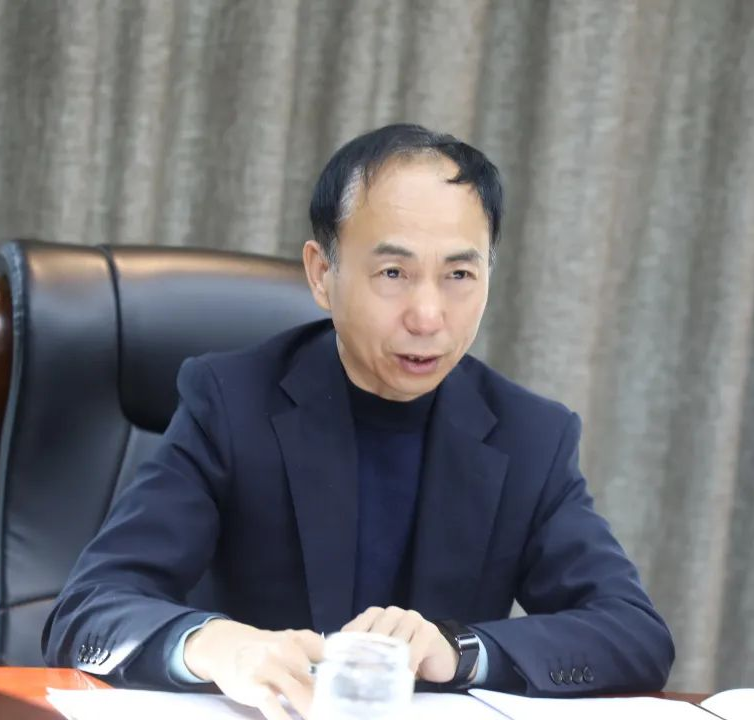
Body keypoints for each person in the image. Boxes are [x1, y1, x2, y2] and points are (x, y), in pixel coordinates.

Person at [42, 123, 674, 719]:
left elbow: (633, 635)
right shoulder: (231, 404)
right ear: (323, 274)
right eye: (393, 273)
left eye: (459, 274)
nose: (428, 316)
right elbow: (88, 611)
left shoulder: (529, 437)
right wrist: (216, 647)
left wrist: (460, 651)